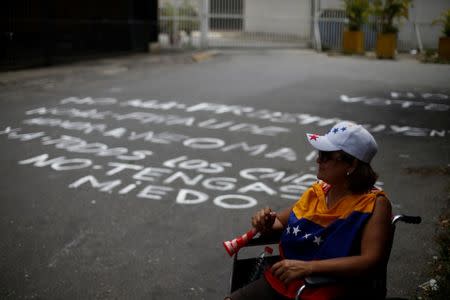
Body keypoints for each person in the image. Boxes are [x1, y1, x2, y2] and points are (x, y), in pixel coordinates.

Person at [226, 121, 393, 300]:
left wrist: (308, 268)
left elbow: (370, 261)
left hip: (333, 286)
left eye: (326, 155)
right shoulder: (319, 192)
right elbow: (279, 222)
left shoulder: (374, 204)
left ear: (351, 164)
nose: (318, 160)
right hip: (287, 277)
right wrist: (264, 221)